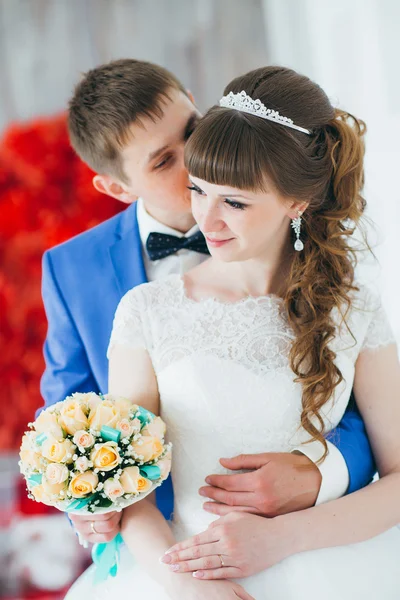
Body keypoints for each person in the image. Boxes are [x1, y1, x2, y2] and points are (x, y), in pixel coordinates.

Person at [65, 65, 400, 600]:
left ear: (297, 203)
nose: (207, 218)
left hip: (331, 560)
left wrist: (280, 539)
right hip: (186, 573)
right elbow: (131, 488)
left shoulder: (353, 307)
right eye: (198, 189)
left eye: (236, 203)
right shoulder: (145, 309)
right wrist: (190, 586)